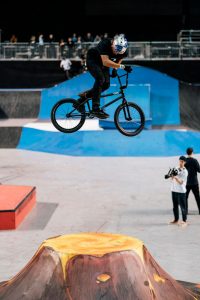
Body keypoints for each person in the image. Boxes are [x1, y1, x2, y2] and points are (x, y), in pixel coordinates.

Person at [74, 34, 132, 119]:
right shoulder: (105, 43)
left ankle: (80, 101)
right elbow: (105, 62)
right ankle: (95, 108)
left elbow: (120, 58)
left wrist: (115, 69)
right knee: (100, 79)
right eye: (115, 50)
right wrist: (122, 67)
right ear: (113, 44)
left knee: (106, 84)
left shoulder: (123, 50)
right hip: (93, 60)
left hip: (104, 65)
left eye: (119, 52)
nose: (116, 53)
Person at [169, 156, 188, 227]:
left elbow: (181, 182)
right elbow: (171, 177)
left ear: (185, 162)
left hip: (181, 191)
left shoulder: (185, 172)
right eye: (180, 161)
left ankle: (184, 220)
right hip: (174, 190)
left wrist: (175, 177)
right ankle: (176, 219)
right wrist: (171, 176)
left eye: (182, 162)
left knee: (183, 207)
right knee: (175, 206)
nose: (180, 163)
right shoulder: (176, 168)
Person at [185, 147, 200, 214]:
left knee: (185, 197)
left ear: (186, 153)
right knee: (197, 197)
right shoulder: (194, 161)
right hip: (194, 182)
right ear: (192, 152)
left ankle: (185, 211)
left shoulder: (184, 161)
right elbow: (199, 170)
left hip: (186, 182)